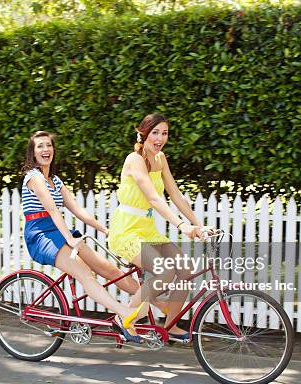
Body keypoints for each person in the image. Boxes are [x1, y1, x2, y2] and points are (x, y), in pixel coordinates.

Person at [22, 130, 148, 343]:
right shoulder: (33, 178)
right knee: (85, 274)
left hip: (59, 231)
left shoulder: (55, 180)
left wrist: (106, 230)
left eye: (48, 146)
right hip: (41, 235)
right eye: (40, 146)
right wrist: (70, 240)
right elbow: (53, 211)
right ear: (32, 153)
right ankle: (124, 315)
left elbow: (78, 211)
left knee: (109, 269)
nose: (45, 150)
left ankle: (141, 306)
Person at [108, 113, 205, 341]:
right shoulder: (135, 159)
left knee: (186, 269)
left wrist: (198, 225)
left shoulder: (160, 158)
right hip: (126, 231)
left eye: (165, 133)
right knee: (163, 271)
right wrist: (181, 225)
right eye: (155, 133)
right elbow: (153, 198)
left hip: (148, 229)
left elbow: (175, 194)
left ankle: (169, 325)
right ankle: (124, 317)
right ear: (143, 134)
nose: (160, 138)